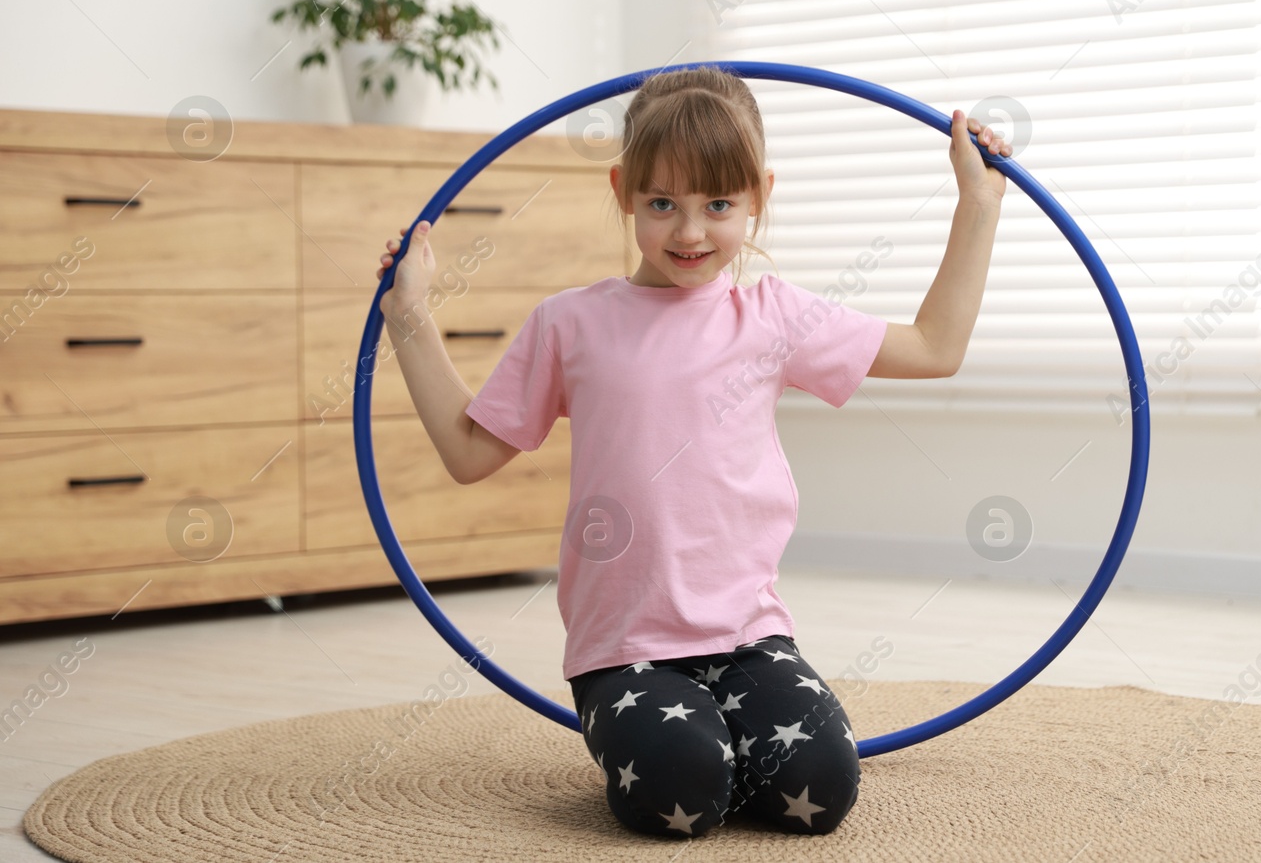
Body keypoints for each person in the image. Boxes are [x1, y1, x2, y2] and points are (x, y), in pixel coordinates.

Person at [374, 64, 1011, 839]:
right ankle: (673, 739)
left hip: (749, 635)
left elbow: (936, 347)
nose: (689, 231)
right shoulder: (571, 324)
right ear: (623, 191)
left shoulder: (773, 317)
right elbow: (469, 452)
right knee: (682, 791)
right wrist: (407, 312)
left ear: (758, 197)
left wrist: (978, 202)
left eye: (718, 204)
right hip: (627, 647)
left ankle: (715, 732)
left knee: (821, 789)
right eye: (661, 203)